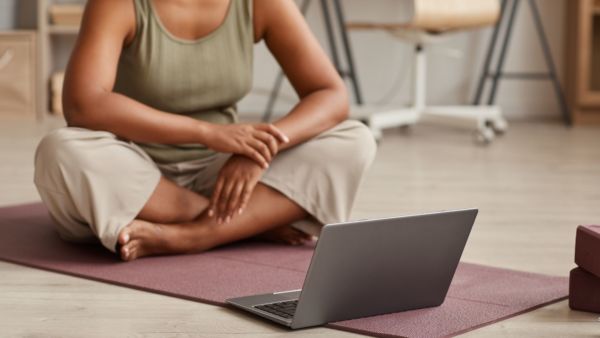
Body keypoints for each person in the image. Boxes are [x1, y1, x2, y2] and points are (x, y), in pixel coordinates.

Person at [34, 0, 376, 261]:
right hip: (138, 174)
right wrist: (205, 132)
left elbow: (330, 93)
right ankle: (247, 224)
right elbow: (83, 104)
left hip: (224, 172)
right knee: (61, 151)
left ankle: (195, 236)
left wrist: (262, 148)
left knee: (354, 139)